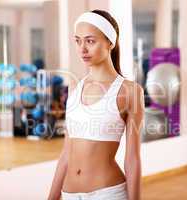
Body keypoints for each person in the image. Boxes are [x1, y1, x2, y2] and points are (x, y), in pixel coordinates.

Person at [47, 9, 144, 200]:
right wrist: (51, 197)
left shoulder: (129, 91)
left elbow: (132, 158)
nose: (82, 49)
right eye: (78, 40)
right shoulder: (75, 90)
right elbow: (67, 153)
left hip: (107, 193)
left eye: (90, 41)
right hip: (69, 193)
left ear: (110, 42)